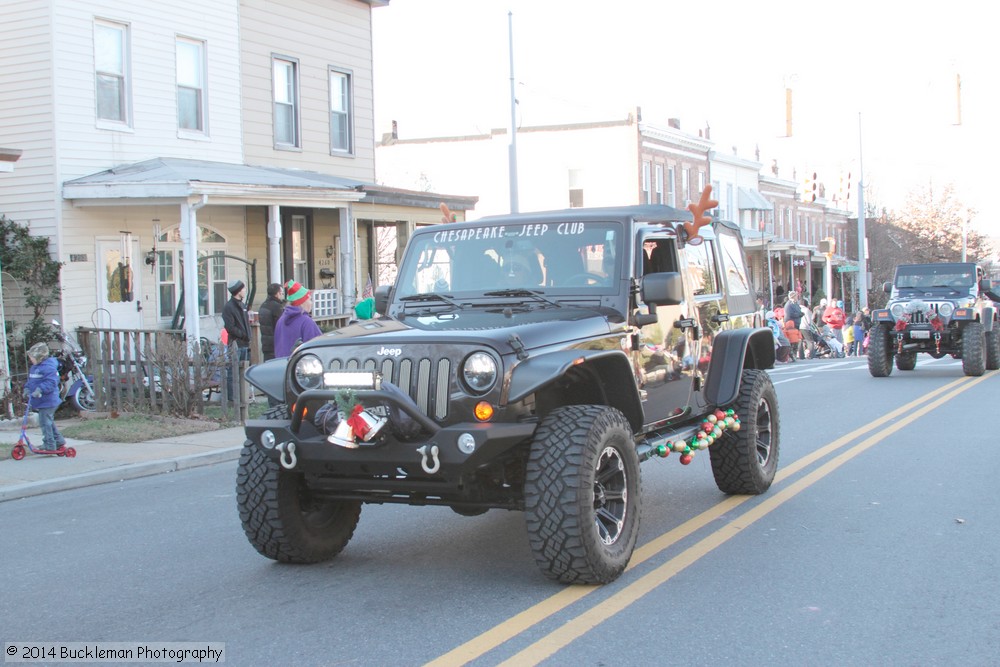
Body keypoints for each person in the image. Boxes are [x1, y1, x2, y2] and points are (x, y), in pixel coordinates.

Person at [24, 342, 67, 452]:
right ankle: (58, 441)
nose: (31, 360)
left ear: (40, 357)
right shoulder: (35, 367)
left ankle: (49, 444)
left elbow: (51, 382)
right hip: (41, 400)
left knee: (44, 422)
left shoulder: (48, 367)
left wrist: (40, 389)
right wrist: (27, 388)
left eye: (32, 357)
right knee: (48, 421)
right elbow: (31, 381)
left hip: (49, 400)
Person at [274, 280, 323, 358]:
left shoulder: (281, 320)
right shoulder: (306, 322)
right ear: (302, 302)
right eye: (310, 299)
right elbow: (318, 347)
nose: (311, 303)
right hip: (300, 366)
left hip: (281, 366)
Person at [222, 279, 252, 401]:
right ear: (238, 291)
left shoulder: (242, 305)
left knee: (243, 372)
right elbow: (230, 327)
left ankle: (243, 396)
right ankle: (232, 398)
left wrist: (248, 336)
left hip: (245, 343)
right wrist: (243, 334)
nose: (245, 291)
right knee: (233, 372)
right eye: (243, 289)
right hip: (236, 343)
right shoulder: (229, 307)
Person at [257, 282, 285, 361]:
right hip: (275, 344)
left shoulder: (263, 305)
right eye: (281, 293)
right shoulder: (277, 307)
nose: (282, 295)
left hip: (266, 343)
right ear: (277, 294)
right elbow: (281, 325)